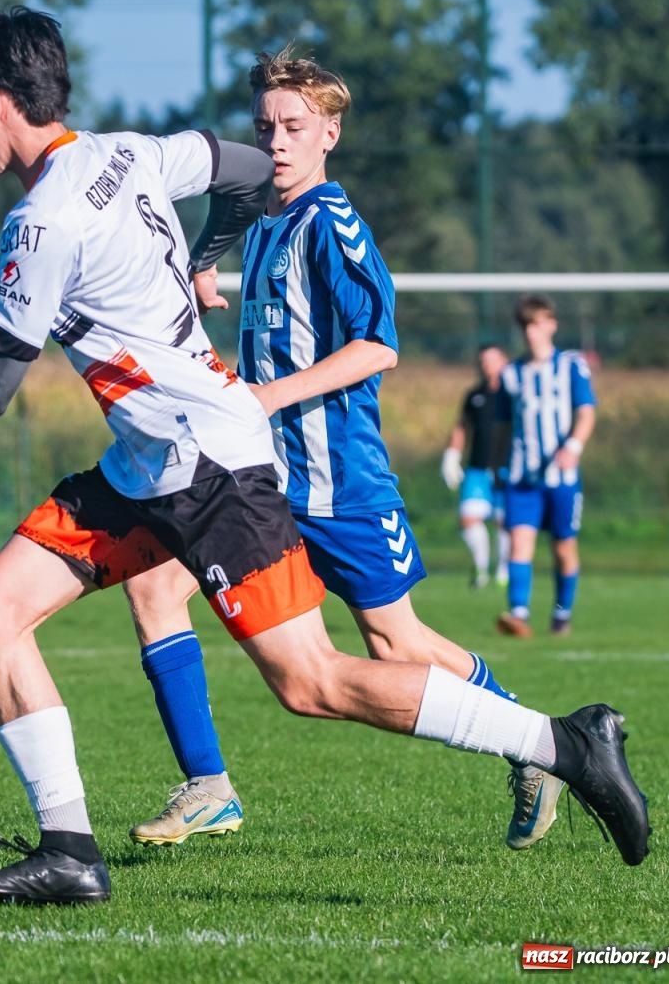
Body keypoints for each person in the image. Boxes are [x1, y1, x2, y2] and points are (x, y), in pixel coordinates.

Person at [0, 6, 650, 906]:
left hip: (207, 465)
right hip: (147, 462)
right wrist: (203, 258)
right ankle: (71, 850)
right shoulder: (134, 151)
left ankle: (564, 745)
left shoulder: (40, 223)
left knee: (311, 680)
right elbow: (238, 170)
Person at [119, 49, 553, 856]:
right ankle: (209, 785)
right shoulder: (269, 221)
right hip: (261, 481)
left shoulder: (332, 224)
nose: (275, 141)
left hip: (341, 483)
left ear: (330, 132)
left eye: (292, 126)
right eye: (264, 127)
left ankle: (536, 743)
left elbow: (377, 348)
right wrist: (204, 273)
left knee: (398, 644)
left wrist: (269, 396)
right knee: (153, 587)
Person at [495, 295, 596, 639]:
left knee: (563, 548)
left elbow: (586, 412)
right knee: (519, 543)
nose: (531, 332)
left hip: (562, 478)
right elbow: (503, 426)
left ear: (551, 324)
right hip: (522, 477)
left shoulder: (570, 366)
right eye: (526, 326)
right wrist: (496, 466)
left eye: (537, 324)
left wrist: (573, 446)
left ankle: (560, 613)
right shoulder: (512, 374)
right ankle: (518, 615)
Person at [442, 345, 512, 590]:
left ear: (505, 361)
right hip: (477, 468)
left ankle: (505, 569)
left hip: (508, 467)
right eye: (483, 360)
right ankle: (481, 568)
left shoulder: (513, 394)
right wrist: (452, 455)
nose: (487, 365)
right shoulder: (474, 395)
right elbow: (462, 427)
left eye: (492, 360)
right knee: (469, 518)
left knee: (507, 522)